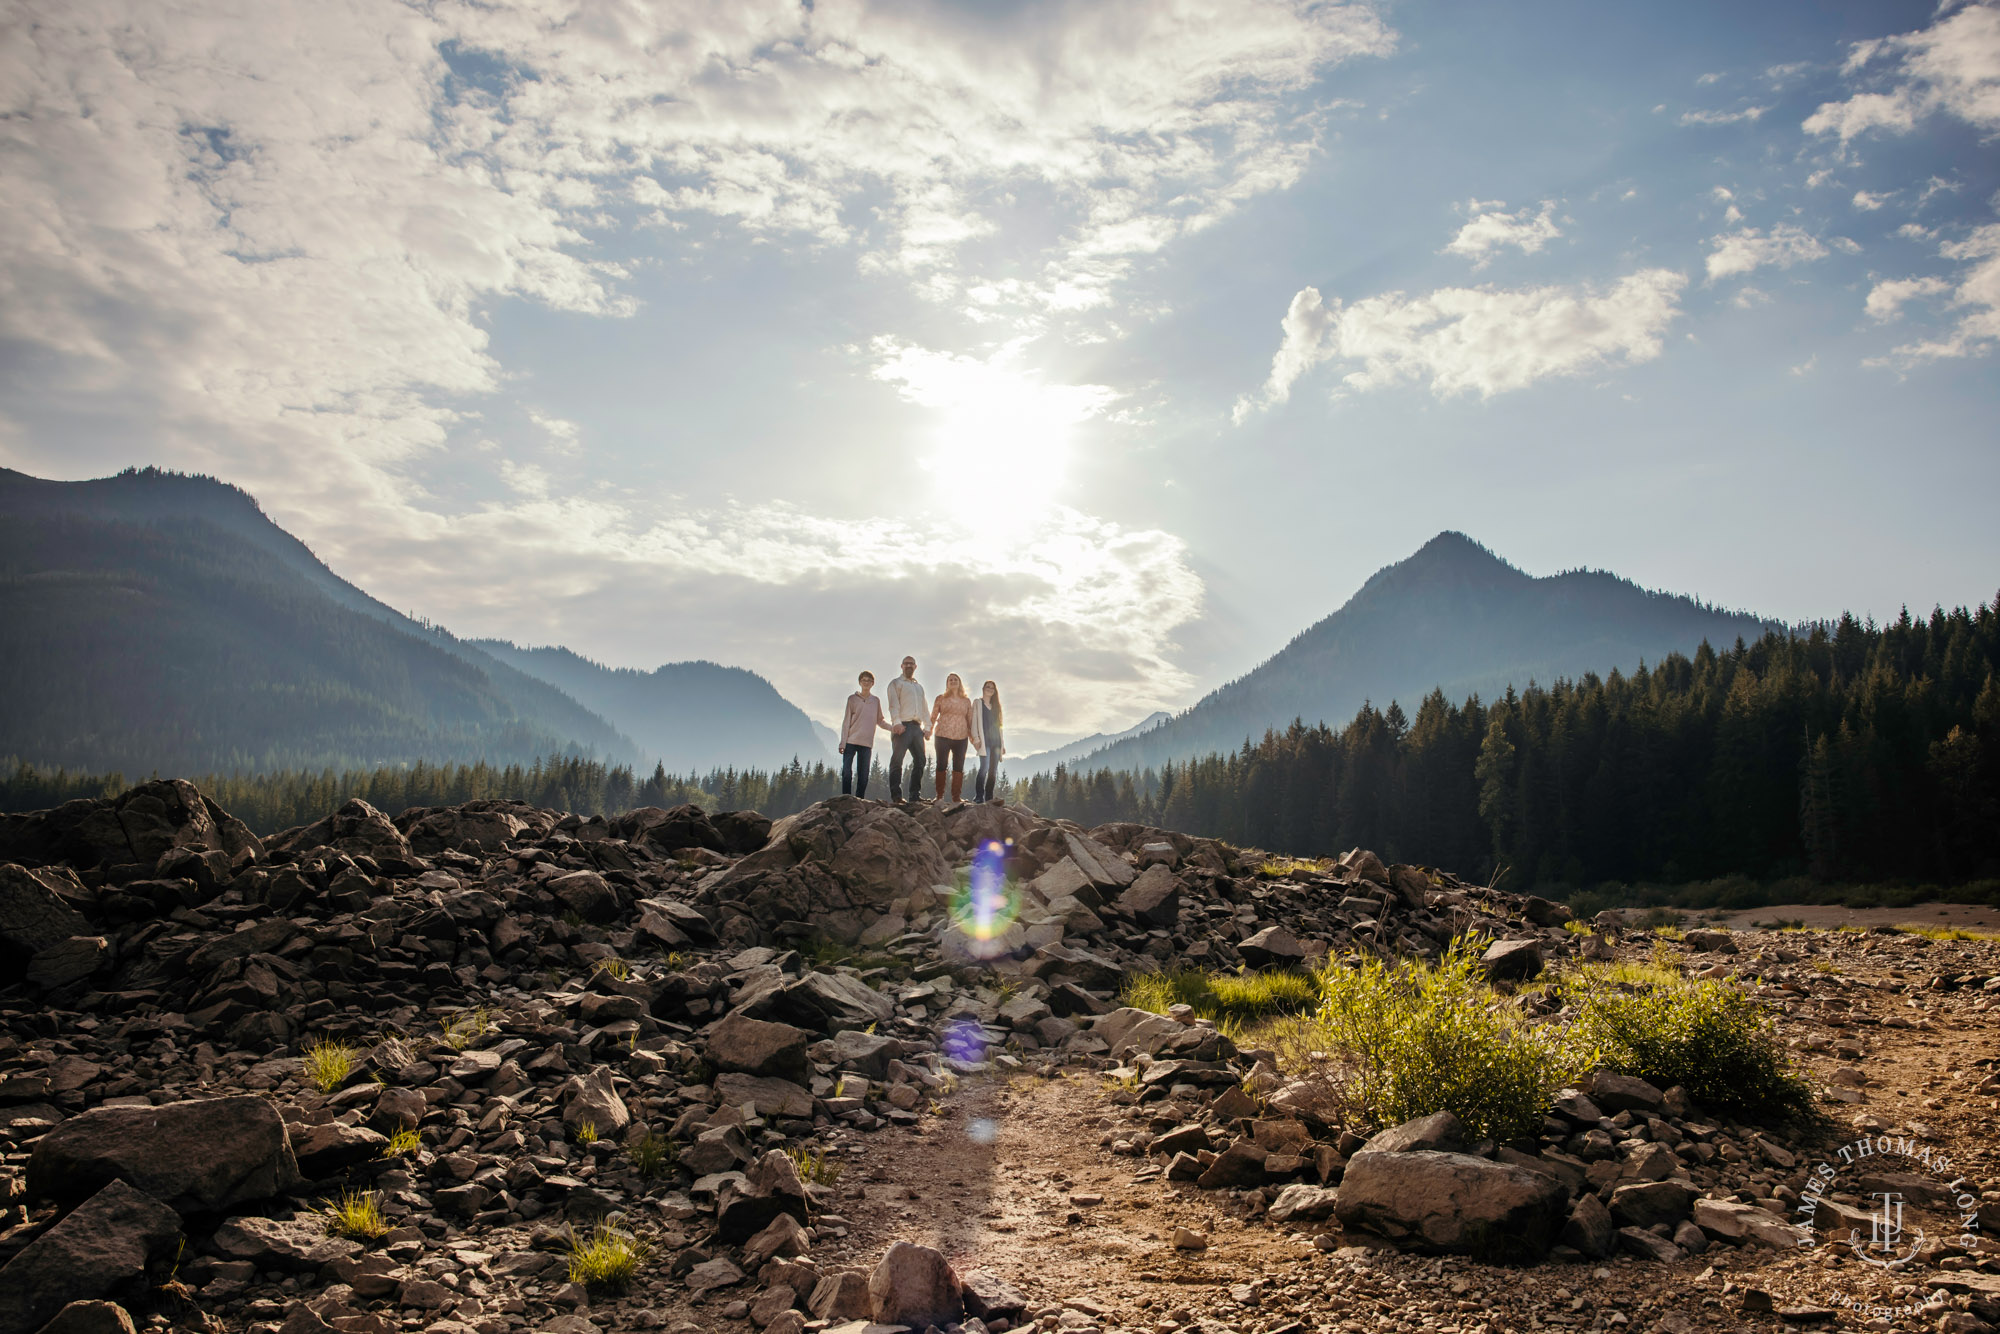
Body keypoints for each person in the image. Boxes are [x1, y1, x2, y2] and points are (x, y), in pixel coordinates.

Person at [838, 670, 891, 798]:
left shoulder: (876, 701)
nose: (866, 682)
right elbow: (846, 722)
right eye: (863, 680)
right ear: (859, 682)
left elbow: (880, 721)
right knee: (846, 772)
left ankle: (859, 800)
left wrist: (894, 728)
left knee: (863, 775)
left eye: (868, 680)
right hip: (850, 741)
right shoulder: (852, 699)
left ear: (873, 683)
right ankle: (846, 798)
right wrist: (842, 742)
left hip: (866, 744)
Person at [884, 656, 929, 802]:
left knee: (921, 760)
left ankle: (914, 796)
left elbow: (924, 708)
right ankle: (896, 796)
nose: (909, 666)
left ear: (915, 667)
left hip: (917, 728)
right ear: (902, 666)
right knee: (897, 760)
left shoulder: (918, 687)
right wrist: (896, 723)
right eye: (906, 664)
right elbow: (893, 705)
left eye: (912, 664)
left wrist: (927, 727)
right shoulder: (895, 683)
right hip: (902, 726)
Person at [929, 672, 975, 803]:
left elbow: (970, 720)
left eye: (955, 679)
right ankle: (939, 796)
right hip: (942, 735)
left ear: (960, 683)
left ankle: (956, 798)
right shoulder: (940, 698)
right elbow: (933, 716)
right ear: (947, 684)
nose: (953, 681)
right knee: (941, 764)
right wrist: (929, 730)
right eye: (950, 680)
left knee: (958, 766)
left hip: (961, 737)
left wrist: (973, 738)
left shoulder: (966, 701)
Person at [971, 679, 1005, 803]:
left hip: (996, 742)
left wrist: (1003, 744)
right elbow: (973, 722)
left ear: (995, 691)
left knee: (993, 771)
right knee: (984, 768)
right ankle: (979, 796)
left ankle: (989, 797)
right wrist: (976, 739)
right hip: (984, 742)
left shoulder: (997, 707)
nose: (990, 689)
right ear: (983, 689)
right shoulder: (977, 703)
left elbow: (1000, 726)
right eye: (987, 687)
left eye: (992, 687)